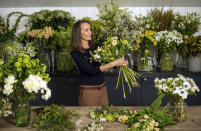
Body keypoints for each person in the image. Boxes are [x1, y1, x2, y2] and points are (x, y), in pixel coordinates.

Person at [70, 20, 127, 106]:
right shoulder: (76, 52)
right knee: (88, 118)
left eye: (90, 29)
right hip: (88, 91)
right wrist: (113, 63)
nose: (90, 32)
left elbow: (106, 61)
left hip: (102, 88)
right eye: (86, 30)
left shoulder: (96, 46)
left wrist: (119, 63)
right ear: (78, 33)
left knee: (104, 118)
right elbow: (90, 70)